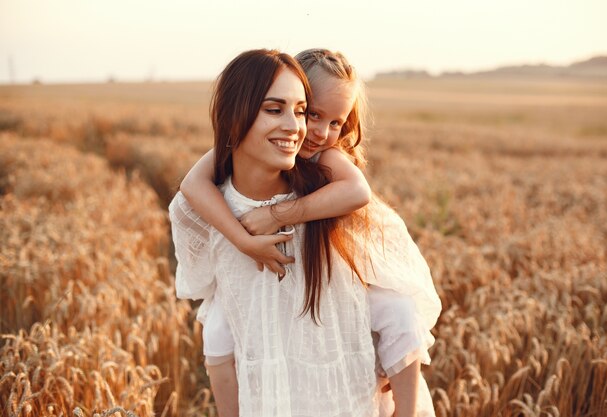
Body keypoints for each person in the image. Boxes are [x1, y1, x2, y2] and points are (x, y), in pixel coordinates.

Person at [180, 49, 441, 417]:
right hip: (277, 271)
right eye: (313, 114)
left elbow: (358, 192)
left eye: (337, 123)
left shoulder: (326, 157)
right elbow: (192, 183)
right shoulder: (249, 143)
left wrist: (277, 214)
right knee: (218, 328)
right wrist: (243, 241)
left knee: (398, 313)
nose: (319, 133)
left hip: (348, 268)